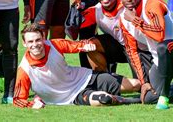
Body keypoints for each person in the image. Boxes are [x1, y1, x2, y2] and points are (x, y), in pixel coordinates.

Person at [13, 23, 141, 108]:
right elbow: (18, 99)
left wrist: (86, 45)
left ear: (43, 38)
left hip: (85, 77)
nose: (35, 44)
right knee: (104, 99)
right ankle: (139, 101)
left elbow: (75, 45)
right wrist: (31, 105)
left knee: (136, 84)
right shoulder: (24, 69)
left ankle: (152, 93)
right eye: (30, 41)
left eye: (38, 40)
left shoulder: (54, 45)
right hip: (72, 97)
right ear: (24, 44)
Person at [77, 0, 153, 76]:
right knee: (91, 44)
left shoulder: (128, 1)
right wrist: (76, 12)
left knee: (146, 87)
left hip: (140, 49)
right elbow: (72, 33)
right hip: (120, 48)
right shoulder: (94, 11)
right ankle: (106, 81)